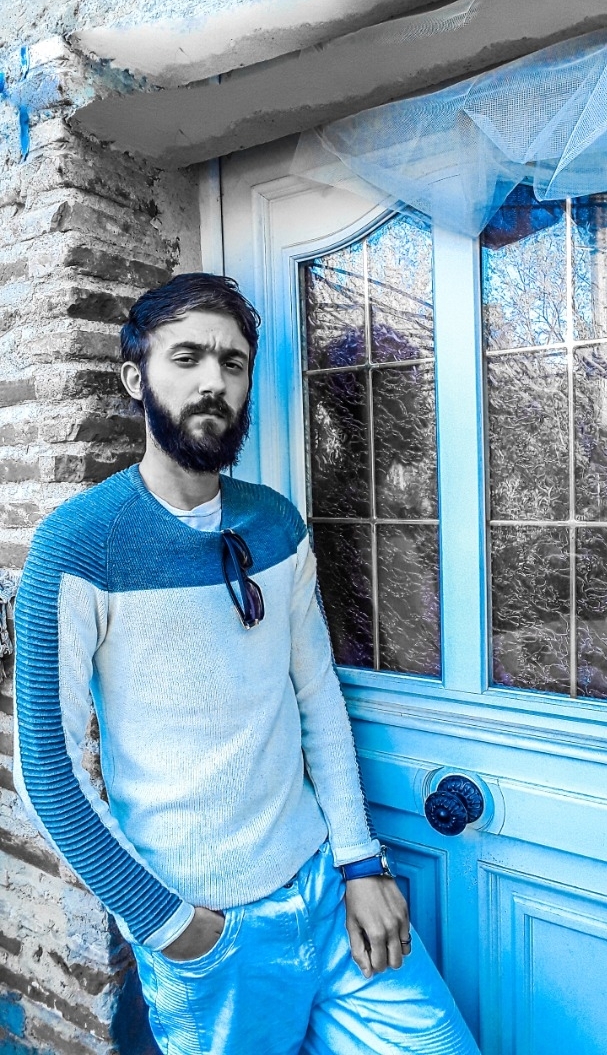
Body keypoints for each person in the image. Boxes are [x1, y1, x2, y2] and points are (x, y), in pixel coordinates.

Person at [13, 273, 479, 1055]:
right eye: (187, 357)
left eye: (232, 363)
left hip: (328, 891)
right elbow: (46, 770)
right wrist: (170, 924)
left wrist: (359, 863)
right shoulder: (79, 544)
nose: (214, 381)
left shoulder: (274, 523)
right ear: (135, 378)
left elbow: (315, 695)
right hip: (208, 931)